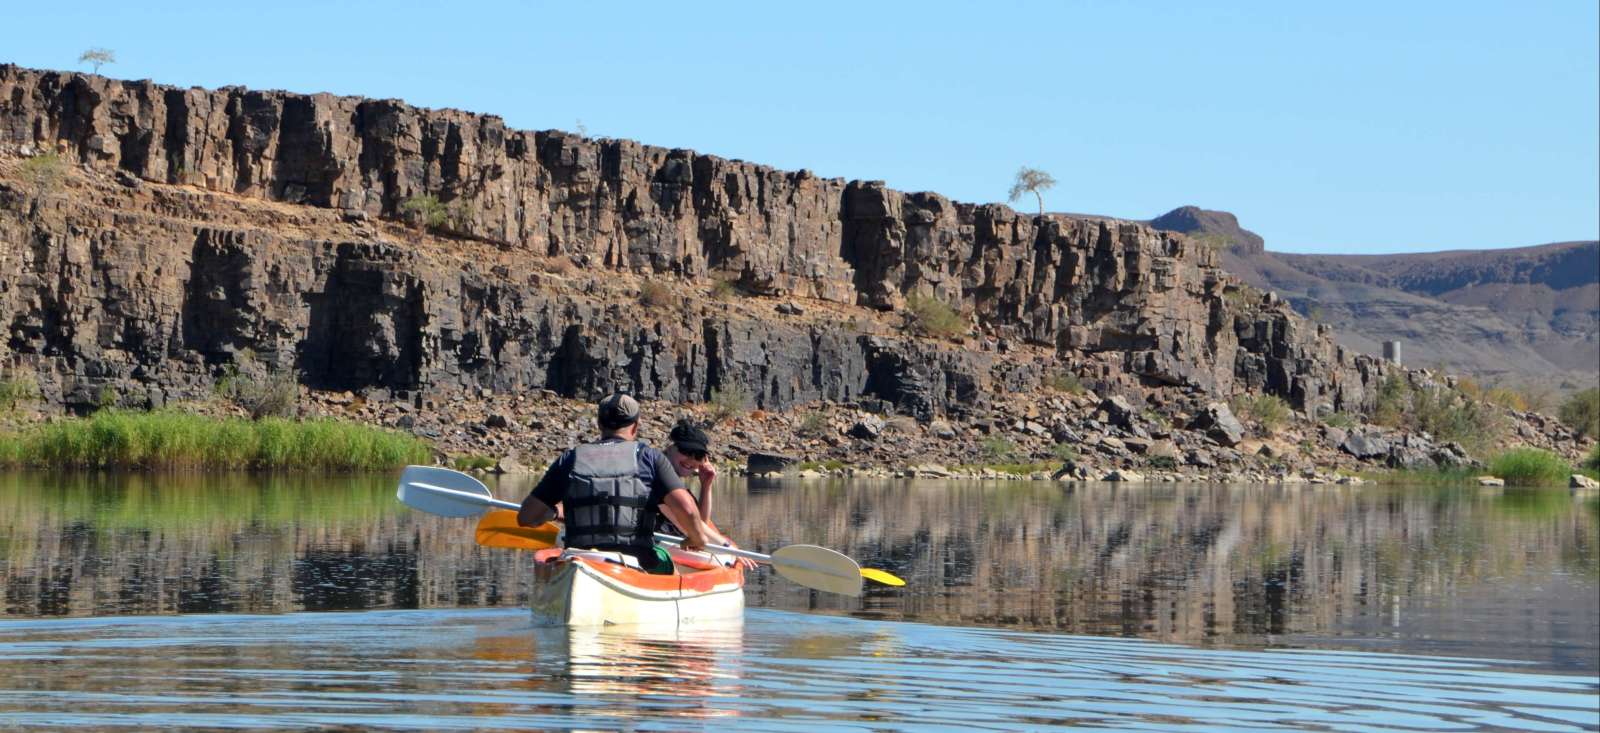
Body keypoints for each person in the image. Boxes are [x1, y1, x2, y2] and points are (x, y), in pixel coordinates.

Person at [516, 392, 739, 575]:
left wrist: (552, 513)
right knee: (667, 565)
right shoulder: (650, 458)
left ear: (599, 424)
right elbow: (689, 512)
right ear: (635, 426)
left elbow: (526, 517)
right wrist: (696, 539)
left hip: (579, 557)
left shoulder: (570, 458)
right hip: (637, 562)